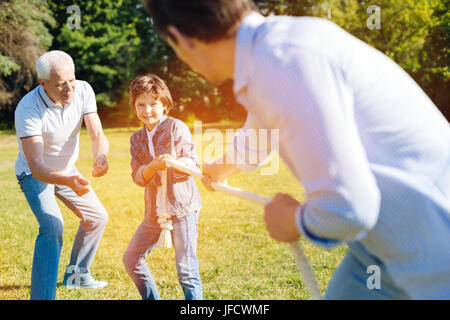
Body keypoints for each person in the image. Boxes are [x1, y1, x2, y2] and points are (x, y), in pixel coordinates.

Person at [142, 0, 450, 299]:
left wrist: (291, 221)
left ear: (180, 38)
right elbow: (258, 134)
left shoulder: (279, 63)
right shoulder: (276, 48)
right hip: (383, 249)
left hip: (434, 254)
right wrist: (221, 168)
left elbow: (348, 209)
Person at [14, 50, 110, 300]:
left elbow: (97, 134)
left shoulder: (84, 90)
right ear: (43, 84)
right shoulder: (28, 108)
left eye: (72, 79)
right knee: (52, 225)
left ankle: (77, 276)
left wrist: (101, 156)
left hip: (67, 169)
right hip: (35, 174)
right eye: (60, 84)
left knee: (97, 217)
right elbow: (36, 165)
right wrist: (67, 180)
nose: (69, 88)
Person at [122, 74, 203, 300]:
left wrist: (173, 162)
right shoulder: (136, 139)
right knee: (131, 258)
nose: (147, 110)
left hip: (181, 209)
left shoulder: (176, 127)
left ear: (165, 105)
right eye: (141, 105)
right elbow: (139, 177)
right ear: (134, 107)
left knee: (186, 271)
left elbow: (191, 163)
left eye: (153, 104)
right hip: (154, 213)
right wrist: (153, 166)